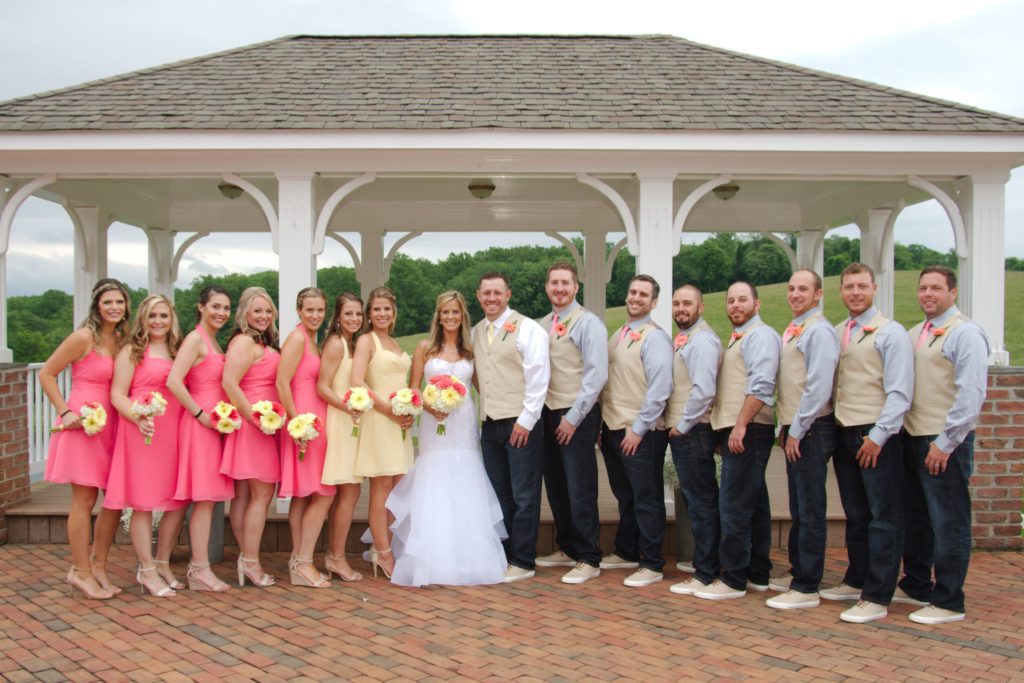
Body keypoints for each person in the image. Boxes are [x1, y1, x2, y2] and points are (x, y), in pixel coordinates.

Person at [387, 291, 507, 586]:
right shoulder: (425, 347)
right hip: (434, 422)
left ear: (462, 316)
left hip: (463, 424)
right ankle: (431, 556)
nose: (450, 317)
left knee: (464, 478)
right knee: (435, 476)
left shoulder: (471, 349)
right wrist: (430, 406)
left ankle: (470, 557)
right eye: (445, 313)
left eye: (455, 312)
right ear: (438, 316)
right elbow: (414, 387)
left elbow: (484, 387)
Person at [899, 265, 989, 624]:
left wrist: (946, 442)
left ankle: (950, 598)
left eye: (936, 288)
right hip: (912, 436)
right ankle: (917, 583)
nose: (928, 294)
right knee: (917, 517)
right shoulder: (917, 332)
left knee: (948, 520)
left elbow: (971, 394)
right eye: (923, 288)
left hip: (942, 441)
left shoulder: (964, 333)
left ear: (952, 292)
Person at [824, 262, 913, 624]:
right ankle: (857, 578)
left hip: (876, 432)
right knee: (856, 514)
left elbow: (900, 391)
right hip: (844, 428)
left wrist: (878, 436)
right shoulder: (838, 330)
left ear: (874, 288)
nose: (855, 292)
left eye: (861, 286)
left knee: (883, 516)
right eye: (848, 287)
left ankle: (878, 594)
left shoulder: (891, 333)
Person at [41, 278, 132, 599]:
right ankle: (79, 571)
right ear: (97, 306)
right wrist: (65, 412)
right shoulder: (83, 337)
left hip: (112, 426)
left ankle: (99, 566)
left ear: (125, 308)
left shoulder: (121, 340)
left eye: (119, 302)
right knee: (84, 500)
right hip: (84, 424)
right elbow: (46, 373)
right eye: (108, 302)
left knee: (114, 500)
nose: (113, 307)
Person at [694, 281, 780, 601]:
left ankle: (732, 577)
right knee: (754, 502)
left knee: (733, 505)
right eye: (730, 300)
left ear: (756, 304)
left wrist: (740, 425)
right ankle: (757, 572)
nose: (735, 305)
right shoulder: (741, 337)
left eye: (742, 300)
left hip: (749, 428)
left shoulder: (760, 336)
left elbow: (761, 386)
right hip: (738, 427)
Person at [104, 294, 187, 597]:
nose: (158, 322)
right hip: (142, 429)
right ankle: (146, 569)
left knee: (175, 498)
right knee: (143, 500)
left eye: (164, 316)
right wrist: (137, 417)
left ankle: (163, 562)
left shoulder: (178, 350)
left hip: (173, 430)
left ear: (171, 319)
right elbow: (117, 394)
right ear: (142, 318)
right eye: (152, 316)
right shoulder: (132, 351)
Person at [767, 270, 839, 610]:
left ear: (818, 294)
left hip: (811, 427)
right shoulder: (797, 328)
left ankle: (808, 584)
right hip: (794, 425)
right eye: (791, 288)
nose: (795, 294)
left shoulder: (820, 331)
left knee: (810, 507)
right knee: (798, 504)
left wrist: (797, 428)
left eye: (803, 289)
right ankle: (798, 571)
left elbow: (819, 385)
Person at [473, 272, 550, 583]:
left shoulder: (528, 328)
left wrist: (526, 420)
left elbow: (538, 376)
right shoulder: (477, 331)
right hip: (490, 424)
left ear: (508, 295)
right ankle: (503, 554)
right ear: (478, 296)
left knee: (524, 494)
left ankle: (523, 559)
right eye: (486, 293)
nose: (492, 298)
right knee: (499, 493)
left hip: (521, 423)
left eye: (498, 293)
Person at [598, 274, 673, 588]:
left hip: (641, 431)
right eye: (632, 292)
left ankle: (651, 562)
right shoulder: (619, 334)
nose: (636, 298)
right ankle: (626, 550)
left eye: (643, 294)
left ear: (653, 302)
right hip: (614, 426)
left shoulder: (654, 337)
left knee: (646, 496)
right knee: (625, 494)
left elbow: (660, 388)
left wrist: (639, 429)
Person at [536, 262, 607, 584]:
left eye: (566, 283)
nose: (560, 288)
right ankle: (568, 546)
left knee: (580, 486)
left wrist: (574, 417)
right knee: (557, 485)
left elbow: (596, 375)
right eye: (554, 283)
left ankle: (589, 556)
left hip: (576, 413)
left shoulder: (588, 323)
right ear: (547, 287)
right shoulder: (542, 324)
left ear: (576, 287)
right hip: (547, 413)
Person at [167, 285, 235, 592]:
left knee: (202, 499)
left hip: (215, 426)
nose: (220, 313)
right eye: (215, 307)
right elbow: (173, 381)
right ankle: (199, 569)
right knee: (203, 500)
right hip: (199, 426)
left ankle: (180, 566)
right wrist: (200, 415)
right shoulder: (195, 338)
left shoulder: (214, 341)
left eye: (225, 308)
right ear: (201, 308)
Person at [351, 286, 414, 579]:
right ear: (369, 313)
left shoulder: (394, 341)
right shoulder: (367, 341)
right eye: (376, 309)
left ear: (394, 312)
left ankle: (384, 545)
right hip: (379, 419)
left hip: (399, 423)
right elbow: (357, 380)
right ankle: (383, 553)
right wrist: (388, 410)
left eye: (386, 309)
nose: (382, 314)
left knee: (400, 488)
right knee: (382, 489)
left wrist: (408, 412)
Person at [664, 284, 723, 596]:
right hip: (688, 430)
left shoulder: (702, 341)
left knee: (701, 502)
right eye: (676, 304)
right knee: (697, 499)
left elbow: (703, 390)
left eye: (687, 303)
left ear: (701, 307)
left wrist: (682, 426)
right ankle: (706, 563)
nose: (680, 309)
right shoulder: (687, 338)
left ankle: (706, 571)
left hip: (694, 430)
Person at [220, 286, 281, 588]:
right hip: (254, 425)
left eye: (268, 310)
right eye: (257, 310)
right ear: (244, 313)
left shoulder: (260, 342)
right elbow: (230, 383)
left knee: (246, 495)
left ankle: (247, 557)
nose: (264, 316)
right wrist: (255, 418)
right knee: (261, 495)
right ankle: (251, 562)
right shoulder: (244, 342)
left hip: (259, 424)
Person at [277, 287, 335, 588]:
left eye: (320, 310)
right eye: (310, 310)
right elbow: (282, 382)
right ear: (299, 311)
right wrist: (296, 423)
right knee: (325, 493)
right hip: (304, 425)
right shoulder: (298, 338)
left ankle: (297, 561)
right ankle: (304, 561)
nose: (315, 315)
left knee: (304, 495)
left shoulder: (312, 341)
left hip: (314, 422)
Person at [317, 292, 365, 582]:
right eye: (348, 314)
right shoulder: (336, 344)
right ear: (337, 316)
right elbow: (323, 386)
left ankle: (335, 555)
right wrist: (348, 407)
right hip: (340, 420)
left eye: (358, 314)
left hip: (352, 422)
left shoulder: (353, 344)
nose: (354, 319)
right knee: (347, 491)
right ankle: (336, 558)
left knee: (349, 492)